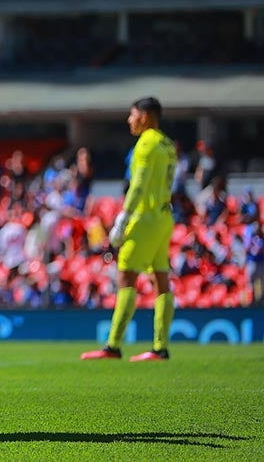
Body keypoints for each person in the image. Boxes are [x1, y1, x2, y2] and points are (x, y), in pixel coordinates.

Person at [81, 96, 177, 362]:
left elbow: (139, 184)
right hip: (164, 218)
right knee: (161, 280)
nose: (129, 120)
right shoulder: (168, 145)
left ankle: (113, 346)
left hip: (144, 218)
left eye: (132, 115)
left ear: (145, 116)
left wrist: (123, 217)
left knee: (126, 277)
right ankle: (160, 347)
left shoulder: (145, 143)